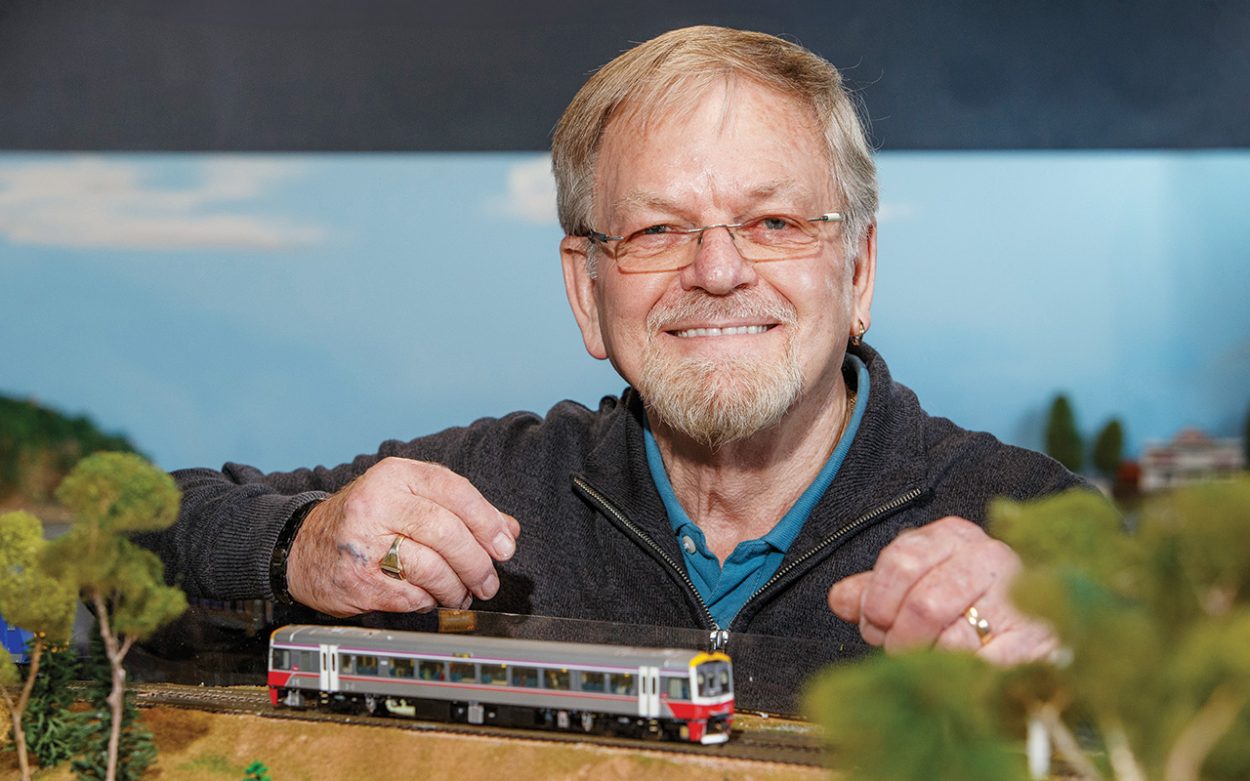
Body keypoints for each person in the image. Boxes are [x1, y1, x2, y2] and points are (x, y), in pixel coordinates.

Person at [142, 25, 1080, 708]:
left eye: (775, 223)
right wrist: (294, 548)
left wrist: (1075, 651)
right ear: (587, 291)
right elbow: (126, 534)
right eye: (657, 229)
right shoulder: (485, 494)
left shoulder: (1031, 525)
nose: (717, 272)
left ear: (859, 268)